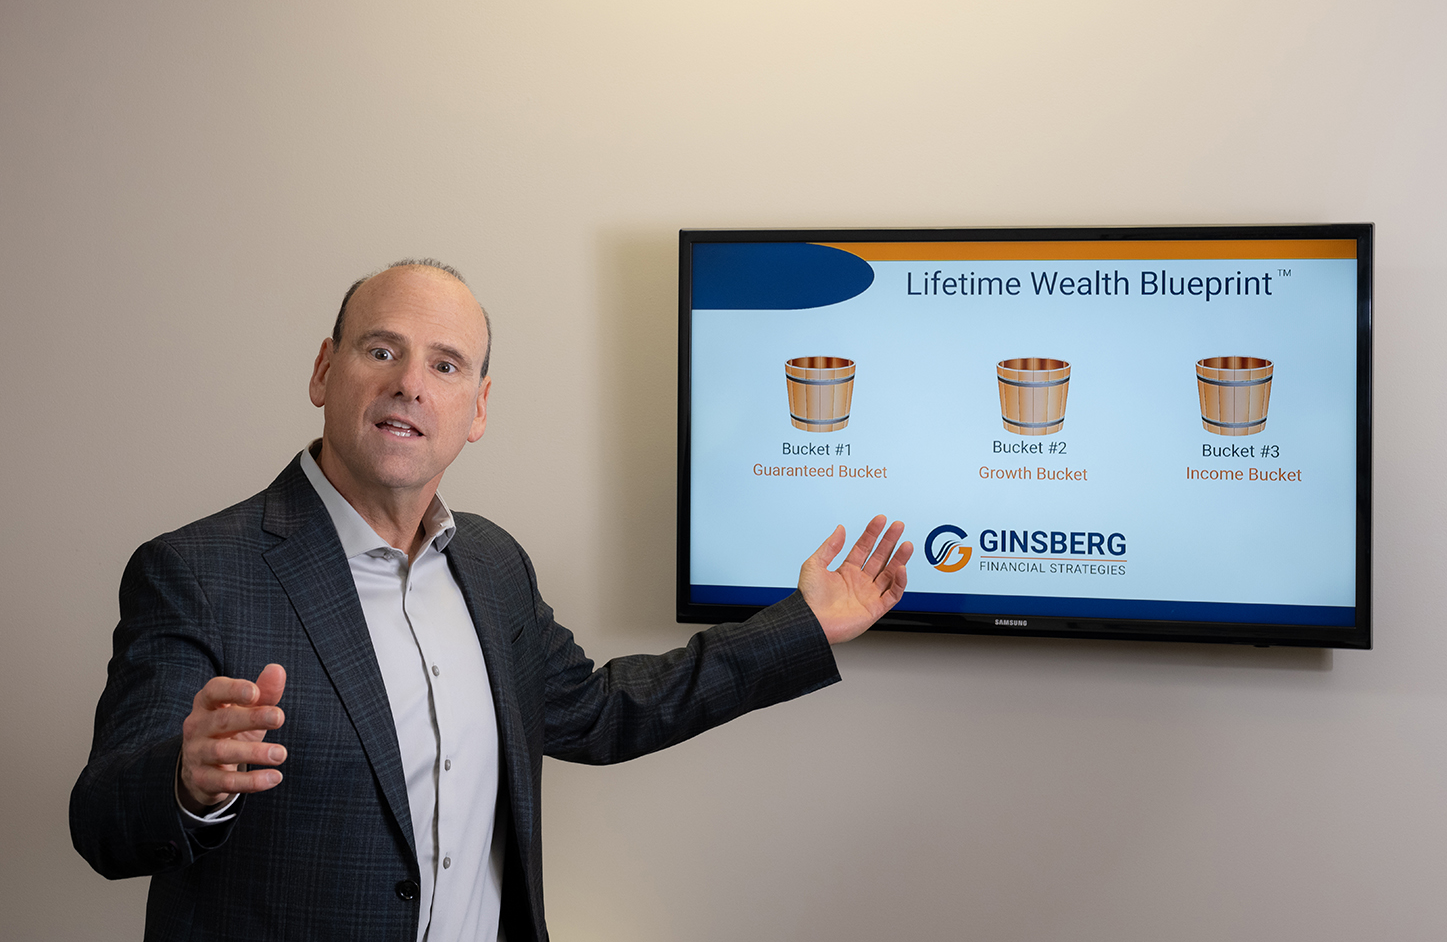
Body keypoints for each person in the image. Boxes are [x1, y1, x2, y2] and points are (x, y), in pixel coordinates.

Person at [70, 259, 913, 942]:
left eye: (445, 365)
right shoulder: (196, 570)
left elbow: (605, 711)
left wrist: (804, 627)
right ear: (325, 371)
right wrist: (187, 780)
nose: (411, 384)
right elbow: (102, 822)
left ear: (477, 408)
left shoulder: (491, 562)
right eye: (380, 351)